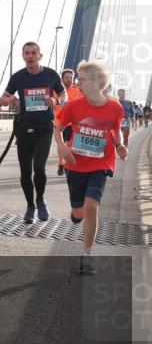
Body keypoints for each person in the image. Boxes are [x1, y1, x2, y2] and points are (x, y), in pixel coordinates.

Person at [54, 61, 127, 275]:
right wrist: (62, 148)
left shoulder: (115, 108)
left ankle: (87, 254)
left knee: (91, 206)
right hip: (76, 164)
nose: (78, 83)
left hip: (101, 163)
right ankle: (76, 215)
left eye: (83, 80)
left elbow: (116, 131)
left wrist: (120, 145)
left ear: (97, 83)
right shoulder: (73, 106)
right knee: (79, 211)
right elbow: (58, 130)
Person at [0, 42, 65, 224]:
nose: (30, 56)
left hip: (44, 127)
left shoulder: (51, 74)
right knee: (25, 171)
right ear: (23, 56)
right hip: (24, 128)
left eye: (33, 53)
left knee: (39, 167)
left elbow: (63, 94)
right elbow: (3, 99)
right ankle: (30, 206)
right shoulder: (18, 77)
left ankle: (41, 200)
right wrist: (10, 99)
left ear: (40, 55)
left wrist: (55, 100)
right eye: (27, 53)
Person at [55, 69, 83, 176]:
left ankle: (65, 164)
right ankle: (61, 163)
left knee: (68, 145)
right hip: (59, 122)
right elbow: (51, 103)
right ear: (62, 79)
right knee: (60, 144)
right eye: (66, 78)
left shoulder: (77, 91)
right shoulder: (56, 91)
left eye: (71, 78)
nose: (69, 80)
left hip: (72, 123)